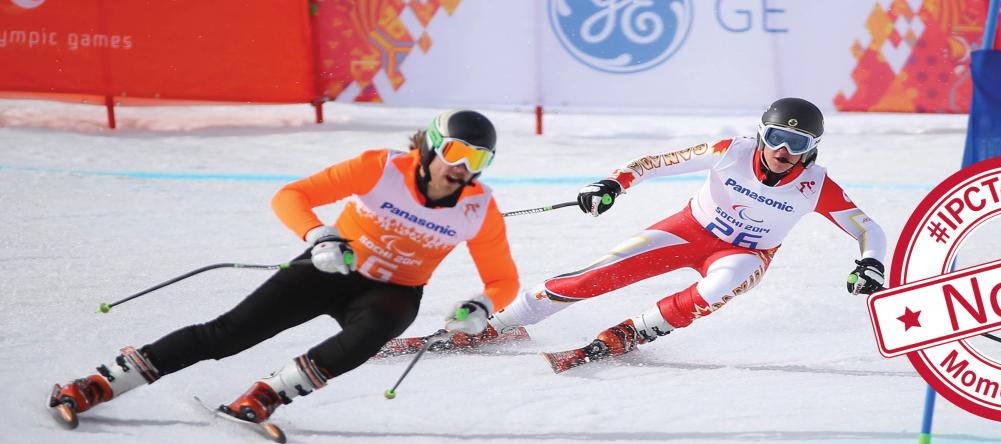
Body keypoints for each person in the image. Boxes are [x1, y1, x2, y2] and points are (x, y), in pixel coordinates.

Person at [47, 110, 520, 425]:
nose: (465, 167)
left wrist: (481, 305)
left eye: (479, 159)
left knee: (373, 333)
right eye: (457, 152)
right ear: (434, 146)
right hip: (334, 266)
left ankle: (266, 396)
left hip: (393, 291)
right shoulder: (381, 168)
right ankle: (101, 382)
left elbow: (503, 279)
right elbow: (291, 195)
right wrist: (319, 235)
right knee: (229, 335)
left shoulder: (479, 208)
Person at [382, 98, 888, 371]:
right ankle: (501, 323)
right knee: (594, 276)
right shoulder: (731, 150)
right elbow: (653, 163)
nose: (783, 150)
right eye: (776, 137)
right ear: (761, 133)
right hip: (689, 231)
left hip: (745, 254)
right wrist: (611, 184)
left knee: (714, 290)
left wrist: (870, 261)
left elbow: (868, 227)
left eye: (797, 143)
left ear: (812, 148)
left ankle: (635, 332)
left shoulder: (816, 184)